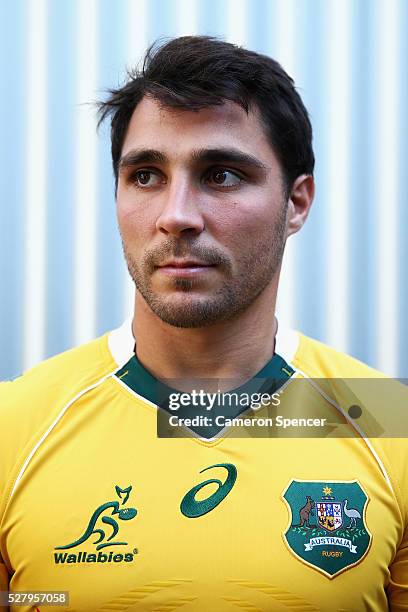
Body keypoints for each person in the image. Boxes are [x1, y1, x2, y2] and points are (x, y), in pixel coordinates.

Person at [0, 36, 407, 612]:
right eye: (145, 175)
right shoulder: (11, 428)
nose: (176, 216)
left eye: (220, 174)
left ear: (297, 203)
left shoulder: (392, 425)